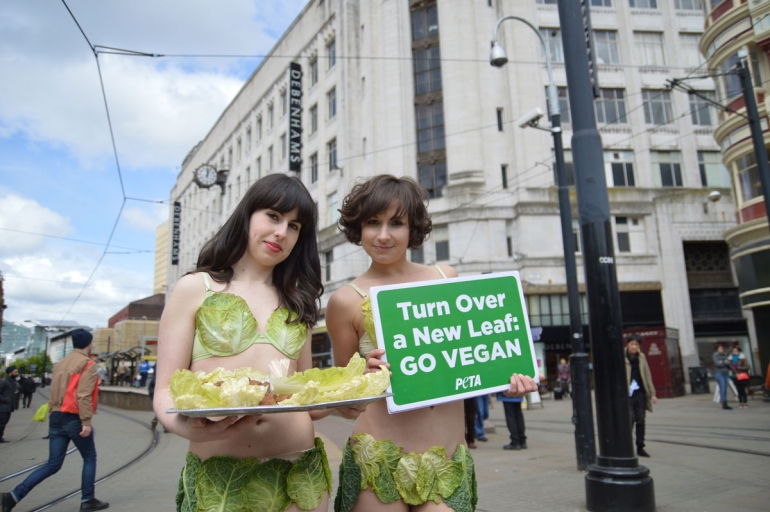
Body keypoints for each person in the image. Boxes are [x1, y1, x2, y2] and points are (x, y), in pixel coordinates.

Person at [326, 175, 538, 511]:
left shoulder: (445, 279)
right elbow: (343, 398)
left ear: (413, 229)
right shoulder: (344, 301)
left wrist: (505, 380)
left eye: (396, 223)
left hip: (446, 460)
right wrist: (361, 380)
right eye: (372, 223)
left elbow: (470, 356)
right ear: (358, 228)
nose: (383, 235)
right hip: (377, 457)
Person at [153, 173, 358, 512]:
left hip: (299, 472)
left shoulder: (299, 300)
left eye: (294, 226)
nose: (282, 232)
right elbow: (164, 392)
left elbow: (301, 394)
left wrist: (341, 400)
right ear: (247, 215)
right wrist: (187, 429)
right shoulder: (195, 288)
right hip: (220, 476)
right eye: (274, 216)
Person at [1, 329, 109, 511]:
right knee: (90, 457)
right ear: (88, 343)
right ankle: (88, 500)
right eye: (91, 343)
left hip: (56, 416)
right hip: (74, 417)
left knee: (53, 464)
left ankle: (14, 496)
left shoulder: (60, 363)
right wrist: (86, 422)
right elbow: (83, 395)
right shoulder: (87, 364)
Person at [624, 334, 657, 458]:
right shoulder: (622, 357)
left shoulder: (642, 357)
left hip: (640, 393)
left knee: (641, 419)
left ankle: (640, 446)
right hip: (627, 394)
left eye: (636, 344)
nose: (634, 347)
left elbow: (647, 375)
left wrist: (652, 394)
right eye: (632, 344)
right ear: (627, 345)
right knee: (630, 419)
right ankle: (627, 446)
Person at [0, 366, 19, 443]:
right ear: (10, 373)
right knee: (2, 422)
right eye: (15, 372)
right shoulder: (4, 382)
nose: (17, 374)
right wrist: (5, 399)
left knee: (4, 422)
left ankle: (1, 436)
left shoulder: (13, 381)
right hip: (3, 407)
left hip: (8, 407)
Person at [713, 345, 733, 410]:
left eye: (722, 348)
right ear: (717, 349)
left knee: (725, 389)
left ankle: (725, 402)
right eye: (720, 349)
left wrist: (723, 362)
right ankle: (724, 403)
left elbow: (729, 363)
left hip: (726, 373)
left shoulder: (725, 355)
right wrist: (725, 362)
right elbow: (717, 364)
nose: (721, 350)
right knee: (722, 388)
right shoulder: (715, 355)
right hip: (719, 374)